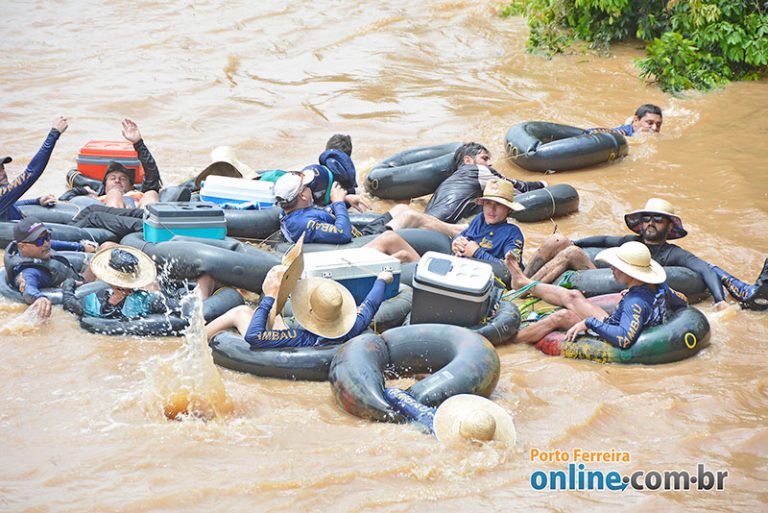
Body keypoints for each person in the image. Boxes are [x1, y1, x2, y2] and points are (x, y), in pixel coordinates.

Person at [522, 198, 768, 311]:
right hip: (602, 274)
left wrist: (719, 300)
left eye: (658, 219)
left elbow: (704, 268)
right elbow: (604, 240)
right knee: (560, 241)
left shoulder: (672, 254)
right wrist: (575, 240)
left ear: (669, 228)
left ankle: (523, 289)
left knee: (571, 253)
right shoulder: (631, 241)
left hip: (608, 284)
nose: (651, 222)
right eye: (647, 218)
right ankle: (523, 278)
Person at [506, 241, 688, 346]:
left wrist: (588, 323)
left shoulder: (635, 302)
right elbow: (682, 301)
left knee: (561, 316)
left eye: (617, 266)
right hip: (615, 321)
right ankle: (524, 282)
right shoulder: (659, 287)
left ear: (631, 273)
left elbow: (624, 339)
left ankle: (511, 342)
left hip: (612, 332)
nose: (612, 268)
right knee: (573, 296)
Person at [205, 265, 393, 348]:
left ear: (310, 312)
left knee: (241, 312)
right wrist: (381, 280)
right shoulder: (353, 328)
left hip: (289, 349)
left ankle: (198, 339)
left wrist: (269, 297)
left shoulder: (300, 337)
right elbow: (370, 305)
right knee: (274, 317)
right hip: (320, 339)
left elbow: (254, 337)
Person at [275, 172, 426, 263]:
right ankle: (428, 275)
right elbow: (342, 233)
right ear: (302, 195)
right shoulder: (302, 223)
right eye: (307, 187)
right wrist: (338, 203)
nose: (310, 189)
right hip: (356, 248)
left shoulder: (294, 213)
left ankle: (441, 237)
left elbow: (323, 216)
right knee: (405, 221)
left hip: (361, 237)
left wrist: (345, 200)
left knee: (401, 209)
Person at [3, 216, 100, 319]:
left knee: (105, 247)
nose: (46, 243)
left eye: (47, 237)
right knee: (106, 253)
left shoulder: (38, 248)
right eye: (39, 241)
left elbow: (55, 244)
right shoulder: (29, 272)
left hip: (75, 275)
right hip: (75, 287)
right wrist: (39, 298)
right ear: (22, 246)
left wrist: (81, 247)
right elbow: (28, 289)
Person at [425, 142, 547, 224]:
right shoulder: (478, 170)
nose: (490, 163)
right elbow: (514, 189)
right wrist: (543, 184)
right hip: (439, 228)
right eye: (484, 158)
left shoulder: (449, 181)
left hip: (428, 223)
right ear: (468, 160)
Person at [62, 119, 162, 209]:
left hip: (141, 217)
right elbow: (63, 201)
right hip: (110, 219)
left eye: (123, 178)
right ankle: (116, 214)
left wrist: (138, 142)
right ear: (104, 186)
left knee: (151, 193)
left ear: (131, 186)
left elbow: (151, 173)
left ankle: (152, 221)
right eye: (112, 178)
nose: (117, 180)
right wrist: (83, 190)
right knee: (114, 193)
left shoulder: (139, 193)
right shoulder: (96, 198)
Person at [62, 245, 179, 320]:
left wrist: (69, 283)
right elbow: (180, 308)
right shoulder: (146, 300)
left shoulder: (93, 301)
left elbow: (70, 304)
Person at [1, 116, 68, 222]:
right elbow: (30, 173)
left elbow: (13, 204)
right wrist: (54, 133)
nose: (2, 174)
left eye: (2, 169)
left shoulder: (4, 199)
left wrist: (36, 201)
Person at [451, 178, 526, 267]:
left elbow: (512, 268)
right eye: (488, 203)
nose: (492, 209)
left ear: (509, 209)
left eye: (498, 204)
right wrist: (457, 242)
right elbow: (464, 234)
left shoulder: (512, 233)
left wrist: (477, 252)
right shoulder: (480, 219)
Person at [586, 104, 663, 136]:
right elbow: (593, 132)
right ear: (636, 120)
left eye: (658, 124)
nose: (655, 128)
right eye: (650, 123)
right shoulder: (624, 132)